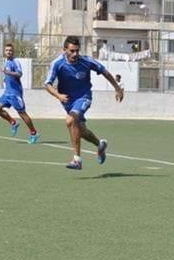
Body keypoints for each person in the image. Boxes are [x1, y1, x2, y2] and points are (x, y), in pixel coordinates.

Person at [45, 35, 124, 170]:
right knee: (81, 131)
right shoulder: (57, 64)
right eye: (72, 51)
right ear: (65, 50)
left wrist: (117, 88)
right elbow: (47, 84)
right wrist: (58, 95)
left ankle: (77, 160)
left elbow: (105, 72)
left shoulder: (86, 61)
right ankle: (100, 144)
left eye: (77, 50)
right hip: (67, 101)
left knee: (70, 121)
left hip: (84, 97)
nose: (75, 54)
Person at [0, 44, 39, 144]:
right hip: (7, 92)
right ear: (4, 52)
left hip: (15, 93)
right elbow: (8, 75)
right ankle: (13, 122)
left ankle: (33, 133)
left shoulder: (15, 62)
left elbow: (19, 74)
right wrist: (6, 79)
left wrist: (8, 73)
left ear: (13, 51)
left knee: (22, 114)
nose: (8, 52)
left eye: (10, 50)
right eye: (7, 50)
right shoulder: (7, 62)